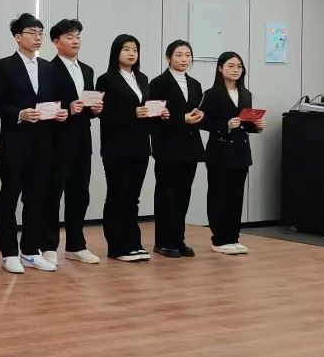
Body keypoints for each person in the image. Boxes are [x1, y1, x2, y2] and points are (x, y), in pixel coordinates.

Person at [0, 13, 66, 274]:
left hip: (43, 142)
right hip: (16, 141)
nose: (37, 37)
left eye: (40, 33)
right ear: (17, 37)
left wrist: (60, 112)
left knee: (37, 198)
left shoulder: (48, 67)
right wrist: (19, 114)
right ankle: (8, 253)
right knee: (10, 197)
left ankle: (31, 251)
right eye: (32, 32)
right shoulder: (3, 66)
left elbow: (54, 101)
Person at [95, 34, 167, 263]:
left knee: (133, 197)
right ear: (116, 52)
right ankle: (117, 246)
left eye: (135, 49)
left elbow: (145, 109)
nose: (131, 53)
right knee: (117, 195)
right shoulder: (106, 79)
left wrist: (158, 113)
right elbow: (103, 114)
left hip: (140, 145)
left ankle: (133, 242)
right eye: (126, 49)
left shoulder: (142, 78)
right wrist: (132, 113)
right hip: (116, 146)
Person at [44, 19, 103, 265]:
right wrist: (68, 108)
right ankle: (48, 245)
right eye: (69, 37)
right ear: (56, 42)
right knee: (53, 193)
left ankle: (76, 245)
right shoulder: (48, 69)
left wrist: (95, 109)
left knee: (80, 193)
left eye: (78, 36)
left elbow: (87, 105)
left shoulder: (87, 70)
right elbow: (45, 104)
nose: (75, 41)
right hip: (57, 139)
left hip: (82, 139)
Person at [199, 51, 265, 255]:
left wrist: (258, 126)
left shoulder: (245, 94)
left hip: (240, 151)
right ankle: (219, 238)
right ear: (220, 68)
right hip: (219, 151)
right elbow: (202, 121)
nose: (236, 70)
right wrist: (225, 125)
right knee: (219, 194)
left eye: (239, 66)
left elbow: (246, 124)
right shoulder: (212, 94)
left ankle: (233, 237)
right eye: (231, 66)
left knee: (236, 196)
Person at [149, 40, 206, 258]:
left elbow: (196, 110)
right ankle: (163, 241)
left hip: (190, 147)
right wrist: (181, 119)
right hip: (168, 146)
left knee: (183, 194)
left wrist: (200, 115)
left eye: (187, 55)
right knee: (167, 195)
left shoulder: (195, 84)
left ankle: (178, 239)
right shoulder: (158, 83)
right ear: (168, 58)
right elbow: (155, 117)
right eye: (179, 55)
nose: (184, 59)